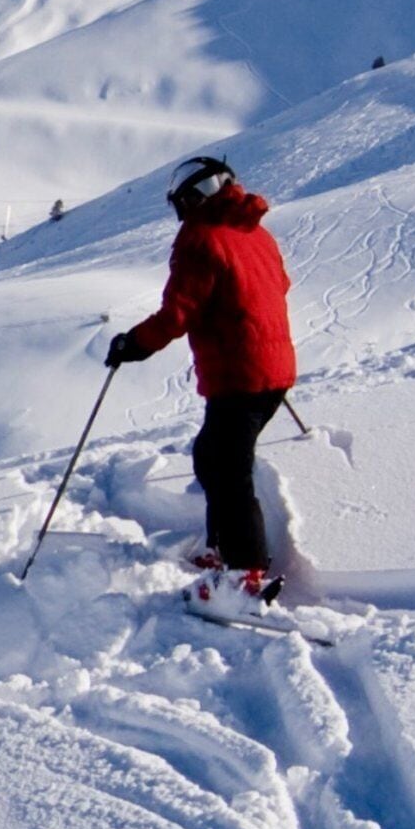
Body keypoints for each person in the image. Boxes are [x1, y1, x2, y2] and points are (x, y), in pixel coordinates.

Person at [107, 155, 297, 611]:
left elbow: (179, 312)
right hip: (275, 371)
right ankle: (224, 551)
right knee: (214, 458)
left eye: (183, 201)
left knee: (227, 470)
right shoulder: (255, 232)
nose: (181, 212)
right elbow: (279, 285)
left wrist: (132, 344)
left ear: (198, 194)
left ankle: (244, 577)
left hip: (240, 374)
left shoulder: (200, 238)